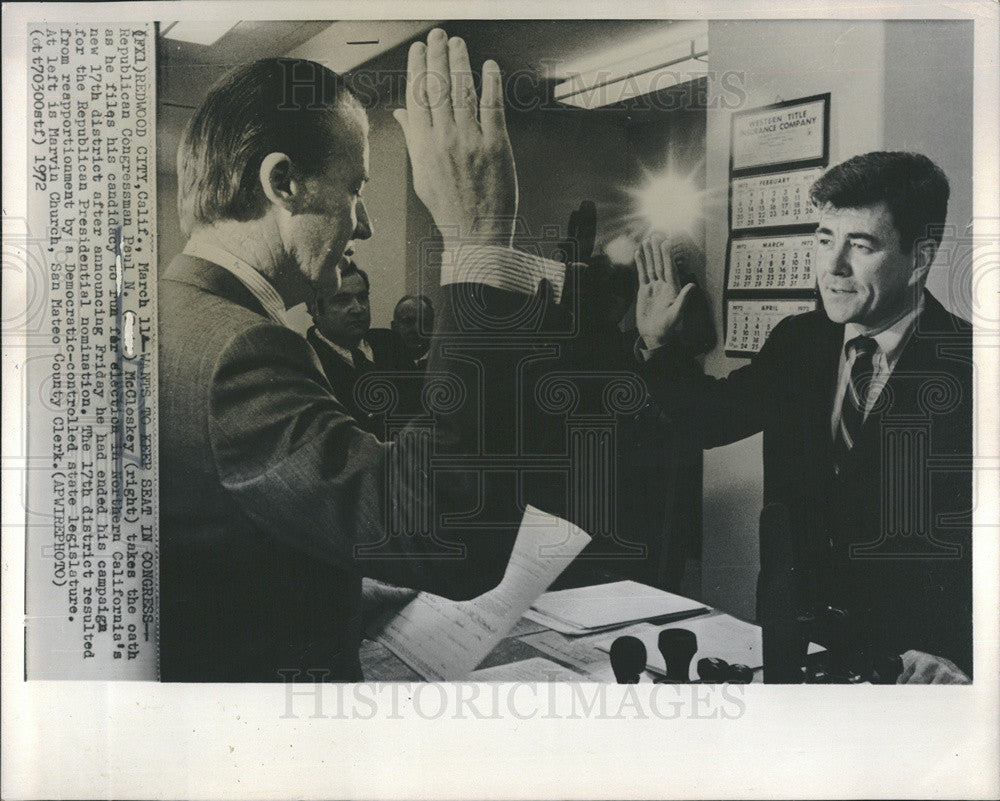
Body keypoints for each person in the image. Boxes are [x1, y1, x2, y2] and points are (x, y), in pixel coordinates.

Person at [158, 30, 566, 681]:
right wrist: (478, 239)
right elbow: (448, 534)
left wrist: (345, 584)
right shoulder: (239, 351)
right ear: (282, 182)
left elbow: (243, 545)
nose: (365, 224)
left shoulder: (178, 314)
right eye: (356, 189)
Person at [634, 152, 972, 683]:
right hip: (794, 637)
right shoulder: (799, 342)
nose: (831, 267)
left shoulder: (974, 368)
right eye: (823, 240)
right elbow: (707, 421)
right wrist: (659, 344)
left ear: (921, 256)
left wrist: (961, 657)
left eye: (860, 246)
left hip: (916, 666)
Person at [306, 258, 404, 435]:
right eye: (342, 300)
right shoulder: (306, 362)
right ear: (315, 308)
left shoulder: (390, 343)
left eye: (362, 297)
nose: (358, 309)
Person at [389, 294, 435, 368]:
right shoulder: (383, 366)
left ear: (433, 327)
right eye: (407, 321)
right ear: (394, 327)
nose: (417, 329)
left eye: (424, 323)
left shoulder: (445, 365)